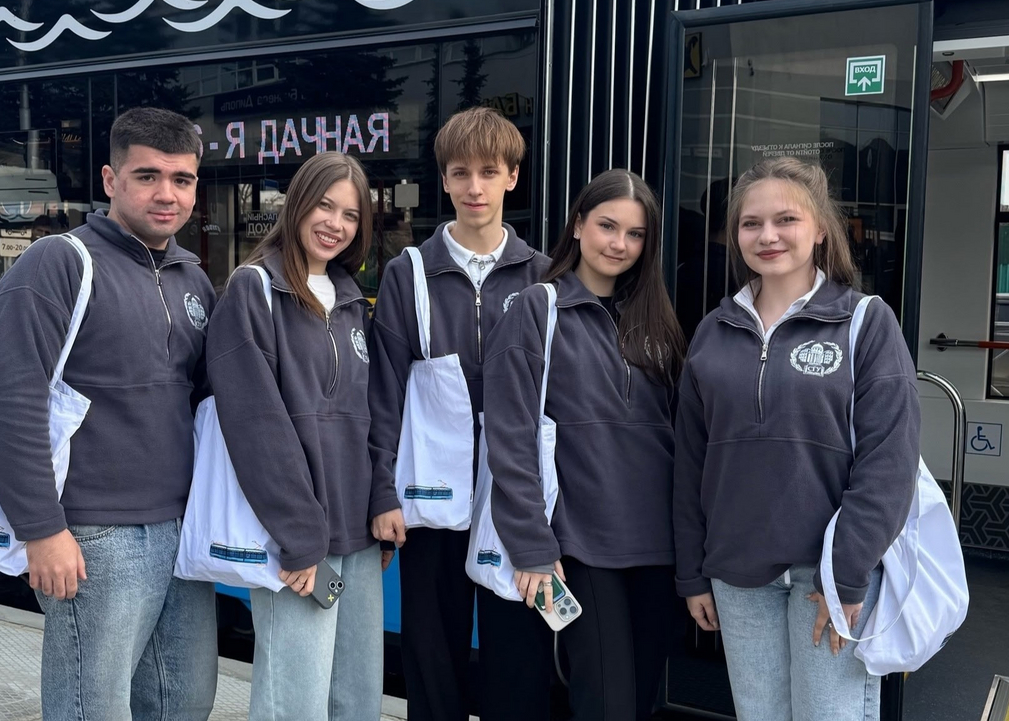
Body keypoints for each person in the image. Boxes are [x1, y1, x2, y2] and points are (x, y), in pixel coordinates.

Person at [0, 107, 218, 721]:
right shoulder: (57, 264)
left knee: (184, 704)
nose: (167, 194)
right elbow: (10, 402)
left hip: (181, 530)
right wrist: (42, 529)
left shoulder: (194, 280)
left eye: (182, 179)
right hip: (95, 536)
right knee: (92, 709)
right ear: (111, 180)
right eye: (147, 176)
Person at [673, 157, 921, 721]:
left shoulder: (865, 321)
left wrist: (847, 574)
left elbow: (889, 460)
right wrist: (692, 571)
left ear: (821, 229)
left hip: (828, 573)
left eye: (786, 219)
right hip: (737, 574)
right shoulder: (714, 331)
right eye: (751, 223)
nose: (768, 236)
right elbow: (690, 462)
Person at [367, 107, 553, 721]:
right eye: (461, 173)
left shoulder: (543, 275)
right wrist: (382, 492)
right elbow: (385, 393)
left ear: (512, 178)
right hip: (430, 501)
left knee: (518, 659)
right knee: (432, 660)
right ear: (444, 180)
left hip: (514, 500)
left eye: (489, 172)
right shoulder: (408, 274)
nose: (475, 187)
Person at [482, 168, 688, 721]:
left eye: (635, 234)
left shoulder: (658, 321)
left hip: (658, 546)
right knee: (605, 703)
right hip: (578, 546)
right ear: (578, 225)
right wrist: (532, 545)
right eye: (607, 226)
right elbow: (510, 437)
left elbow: (681, 440)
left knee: (638, 703)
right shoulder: (537, 309)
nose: (620, 244)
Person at [206, 151, 382, 721]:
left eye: (351, 215)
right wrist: (301, 535)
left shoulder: (352, 300)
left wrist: (380, 505)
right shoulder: (255, 289)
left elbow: (369, 415)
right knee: (295, 703)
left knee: (356, 698)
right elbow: (255, 424)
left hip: (357, 533)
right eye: (325, 206)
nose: (336, 224)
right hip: (299, 539)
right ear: (298, 204)